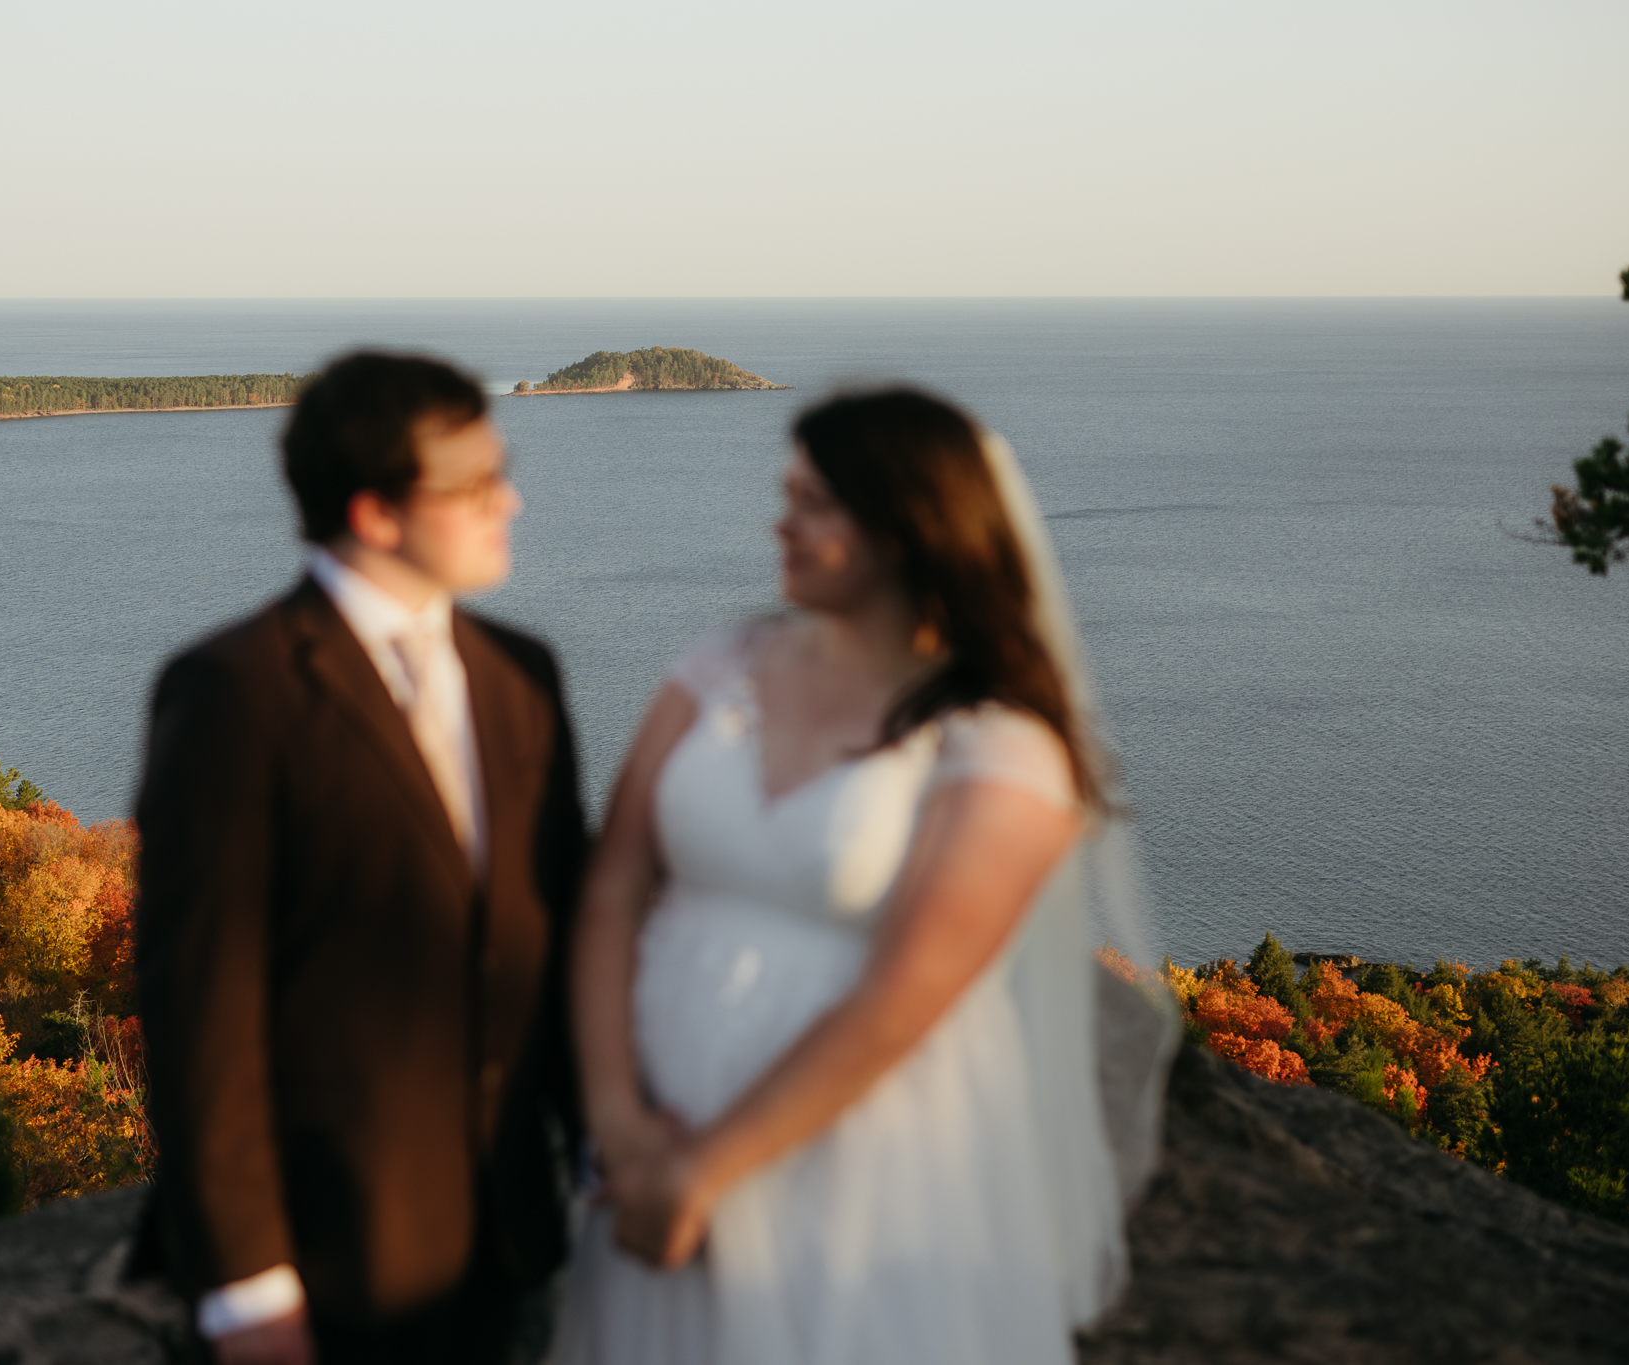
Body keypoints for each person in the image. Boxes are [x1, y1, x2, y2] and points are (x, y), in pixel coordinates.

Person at [551, 388, 1171, 1364]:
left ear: (904, 526)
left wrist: (703, 1170)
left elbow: (908, 994)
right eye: (786, 493)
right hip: (650, 1129)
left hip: (857, 1157)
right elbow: (611, 889)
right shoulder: (716, 667)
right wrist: (617, 1126)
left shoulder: (998, 748)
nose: (778, 522)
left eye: (814, 502)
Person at [132, 352, 586, 1365]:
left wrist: (598, 1155)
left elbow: (558, 932)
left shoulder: (523, 676)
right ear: (376, 512)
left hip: (510, 1242)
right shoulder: (233, 692)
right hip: (327, 1262)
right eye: (473, 486)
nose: (507, 500)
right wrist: (248, 1291)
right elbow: (201, 1008)